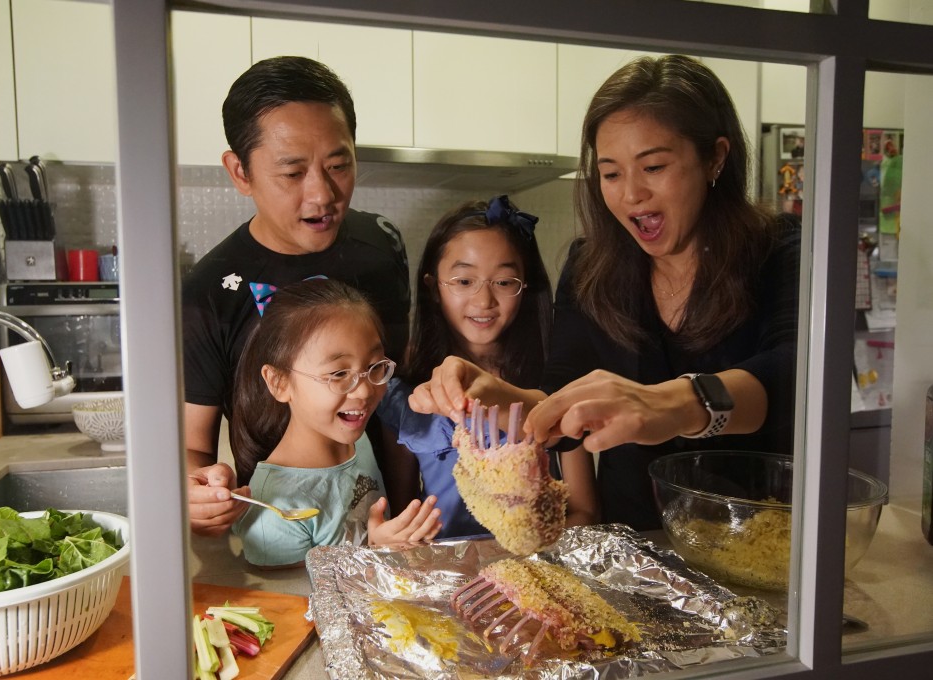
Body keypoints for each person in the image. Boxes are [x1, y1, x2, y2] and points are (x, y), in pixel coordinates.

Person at [409, 54, 800, 530]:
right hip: (634, 543)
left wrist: (675, 403)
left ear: (715, 157)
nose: (631, 194)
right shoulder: (591, 267)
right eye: (611, 174)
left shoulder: (778, 251)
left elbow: (796, 377)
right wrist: (498, 395)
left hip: (758, 535)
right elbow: (561, 399)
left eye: (653, 166)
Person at [181, 56, 411, 536]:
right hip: (283, 532)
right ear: (240, 172)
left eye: (338, 165)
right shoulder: (210, 290)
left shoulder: (381, 248)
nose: (322, 195)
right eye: (292, 172)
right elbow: (192, 445)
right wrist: (196, 491)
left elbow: (398, 396)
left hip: (386, 532)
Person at [377, 195, 595, 538]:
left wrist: (528, 552)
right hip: (443, 566)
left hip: (538, 558)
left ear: (526, 287)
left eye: (504, 282)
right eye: (464, 281)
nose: (484, 301)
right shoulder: (405, 392)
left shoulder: (556, 381)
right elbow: (405, 516)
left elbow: (584, 509)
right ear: (433, 287)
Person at [228, 278, 442, 567]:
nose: (364, 391)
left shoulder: (355, 438)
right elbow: (290, 594)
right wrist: (375, 553)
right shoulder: (274, 513)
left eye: (373, 366)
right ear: (279, 382)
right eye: (339, 374)